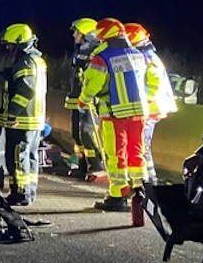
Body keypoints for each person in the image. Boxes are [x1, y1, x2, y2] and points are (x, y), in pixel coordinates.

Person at [79, 18, 150, 211]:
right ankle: (140, 188)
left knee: (116, 154)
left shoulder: (102, 57)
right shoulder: (138, 55)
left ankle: (118, 194)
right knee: (137, 151)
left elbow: (93, 84)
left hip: (114, 113)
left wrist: (84, 99)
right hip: (139, 112)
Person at [0, 23, 47, 206]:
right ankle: (29, 191)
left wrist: (12, 112)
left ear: (19, 43)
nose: (8, 49)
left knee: (17, 158)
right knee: (30, 157)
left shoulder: (24, 62)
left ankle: (20, 193)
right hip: (34, 119)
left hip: (22, 119)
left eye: (10, 45)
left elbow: (26, 90)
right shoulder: (36, 60)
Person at [125, 23, 177, 184]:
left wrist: (144, 101)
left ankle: (149, 180)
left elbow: (153, 84)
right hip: (150, 108)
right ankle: (146, 178)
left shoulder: (146, 57)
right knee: (141, 145)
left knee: (142, 145)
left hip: (150, 108)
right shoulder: (146, 55)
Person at [64, 18, 104, 177]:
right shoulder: (80, 51)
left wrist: (89, 96)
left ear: (88, 35)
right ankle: (82, 165)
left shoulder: (96, 52)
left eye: (77, 32)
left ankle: (97, 165)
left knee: (88, 132)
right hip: (76, 98)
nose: (74, 35)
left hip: (90, 100)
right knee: (76, 133)